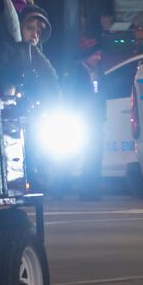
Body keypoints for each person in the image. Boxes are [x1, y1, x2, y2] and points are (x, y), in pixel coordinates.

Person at [62, 37, 105, 199]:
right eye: (95, 54)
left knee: (93, 155)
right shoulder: (76, 72)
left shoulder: (99, 72)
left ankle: (89, 190)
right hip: (80, 120)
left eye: (99, 54)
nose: (98, 58)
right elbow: (72, 96)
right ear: (86, 55)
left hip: (95, 120)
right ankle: (60, 187)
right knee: (72, 155)